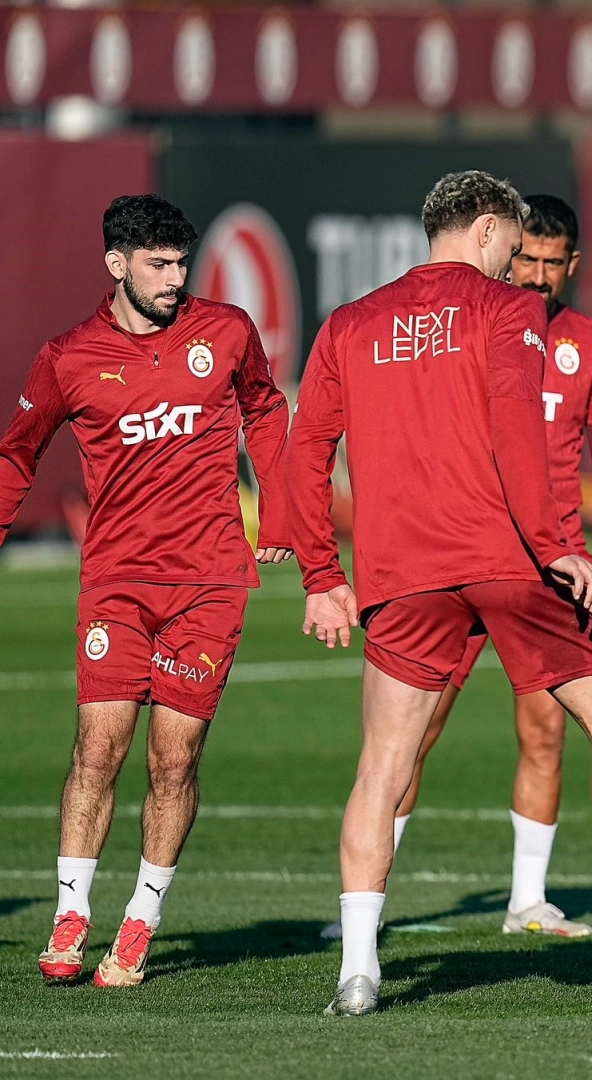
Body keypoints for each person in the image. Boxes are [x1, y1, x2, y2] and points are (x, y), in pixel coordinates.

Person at [284, 172, 592, 1016]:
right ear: (487, 230)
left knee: (383, 767)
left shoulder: (349, 323)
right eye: (513, 246)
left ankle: (358, 971)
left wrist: (321, 577)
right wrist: (560, 549)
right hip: (507, 558)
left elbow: (304, 450)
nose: (519, 265)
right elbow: (519, 438)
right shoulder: (507, 310)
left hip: (401, 575)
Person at [0, 194, 291, 987]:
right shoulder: (67, 357)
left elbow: (266, 409)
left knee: (174, 760)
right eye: (158, 265)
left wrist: (283, 507)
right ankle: (70, 913)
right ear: (115, 264)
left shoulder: (225, 331)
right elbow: (17, 453)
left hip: (210, 582)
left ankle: (140, 920)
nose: (174, 279)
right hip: (117, 583)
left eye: (180, 263)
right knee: (97, 748)